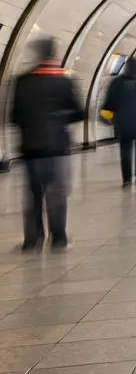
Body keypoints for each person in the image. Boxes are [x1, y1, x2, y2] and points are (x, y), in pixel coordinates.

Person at [9, 37, 84, 251]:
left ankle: (32, 240)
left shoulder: (23, 81)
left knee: (33, 195)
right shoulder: (64, 80)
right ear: (53, 54)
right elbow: (78, 113)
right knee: (57, 193)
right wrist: (59, 119)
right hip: (57, 147)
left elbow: (14, 116)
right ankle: (58, 238)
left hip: (31, 148)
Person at [101, 56, 136, 187]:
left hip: (123, 123)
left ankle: (126, 179)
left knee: (125, 149)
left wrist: (111, 115)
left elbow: (109, 102)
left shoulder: (116, 83)